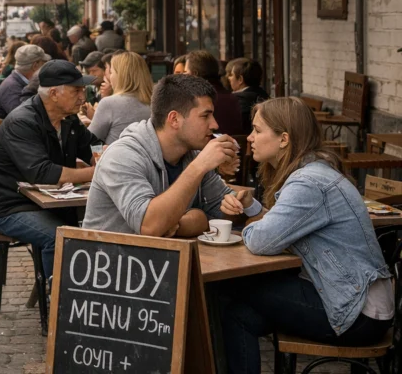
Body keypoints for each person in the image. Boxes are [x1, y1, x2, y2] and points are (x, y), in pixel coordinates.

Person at [220, 97, 392, 374]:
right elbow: (281, 224)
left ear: (284, 138)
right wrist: (251, 208)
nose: (250, 137)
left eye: (257, 130)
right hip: (356, 300)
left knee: (226, 288)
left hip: (357, 311)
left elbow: (261, 240)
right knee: (241, 315)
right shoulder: (314, 172)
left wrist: (249, 223)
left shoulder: (308, 183)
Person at [0, 60, 100, 278]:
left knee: (98, 228)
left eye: (83, 90)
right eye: (76, 90)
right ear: (54, 93)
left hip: (48, 203)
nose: (83, 97)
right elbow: (43, 174)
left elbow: (94, 148)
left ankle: (83, 290)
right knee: (58, 237)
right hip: (9, 206)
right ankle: (59, 300)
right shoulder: (22, 121)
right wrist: (98, 172)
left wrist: (112, 156)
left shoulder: (69, 119)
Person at [82, 74, 242, 236]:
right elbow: (149, 225)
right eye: (205, 116)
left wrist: (244, 204)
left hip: (161, 259)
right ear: (174, 119)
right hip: (110, 258)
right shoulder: (121, 155)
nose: (214, 124)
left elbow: (223, 215)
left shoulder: (192, 155)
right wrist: (199, 167)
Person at [87, 52, 154, 144]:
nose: (110, 77)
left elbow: (88, 142)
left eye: (111, 72)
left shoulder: (109, 103)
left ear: (120, 76)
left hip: (116, 157)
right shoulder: (156, 102)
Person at [185, 50, 246, 135]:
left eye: (186, 72)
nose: (183, 77)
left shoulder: (198, 100)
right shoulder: (231, 97)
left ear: (194, 74)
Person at [0, 45, 50, 118]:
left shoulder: (17, 82)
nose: (45, 66)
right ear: (35, 65)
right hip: (16, 128)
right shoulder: (12, 88)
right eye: (43, 63)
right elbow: (24, 118)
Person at [226, 57, 269, 129]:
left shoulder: (235, 101)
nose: (228, 78)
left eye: (231, 74)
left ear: (240, 79)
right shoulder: (264, 96)